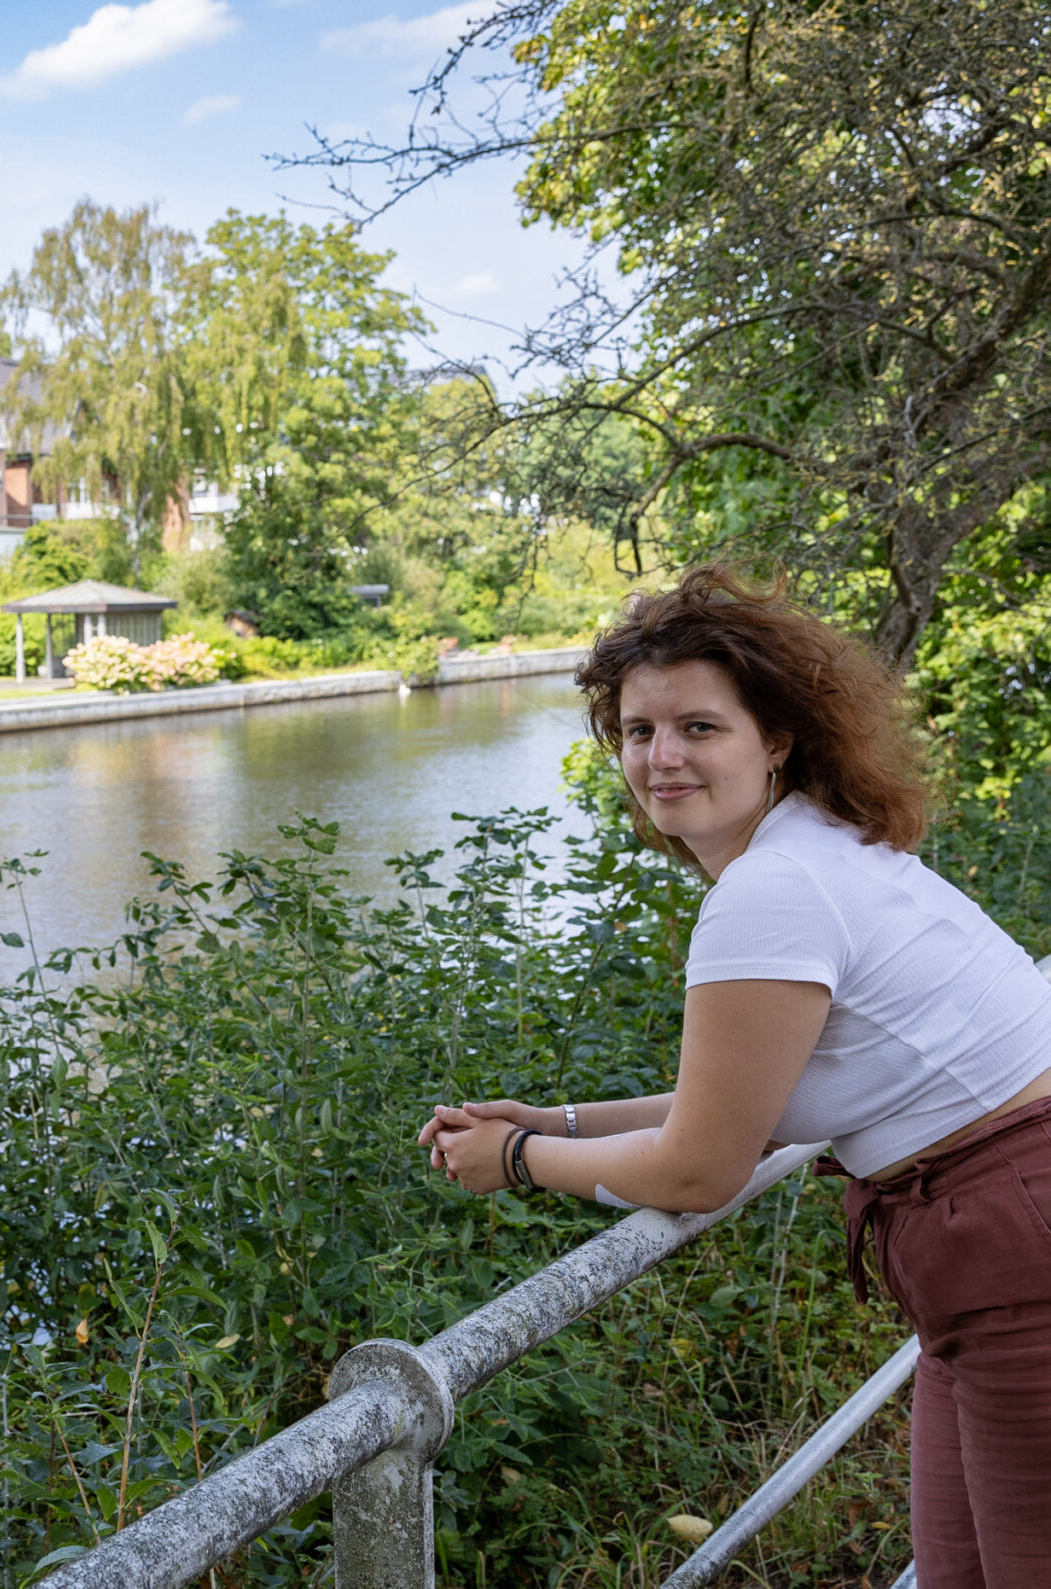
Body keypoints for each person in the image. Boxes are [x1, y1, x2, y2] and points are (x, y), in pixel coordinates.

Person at [417, 565, 1051, 1588]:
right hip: (992, 1246)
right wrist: (560, 1115)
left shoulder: (773, 891)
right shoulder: (819, 846)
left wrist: (521, 1159)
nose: (660, 757)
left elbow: (701, 1166)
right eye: (636, 731)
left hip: (1018, 1249)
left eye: (697, 727)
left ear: (776, 737)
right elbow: (746, 1097)